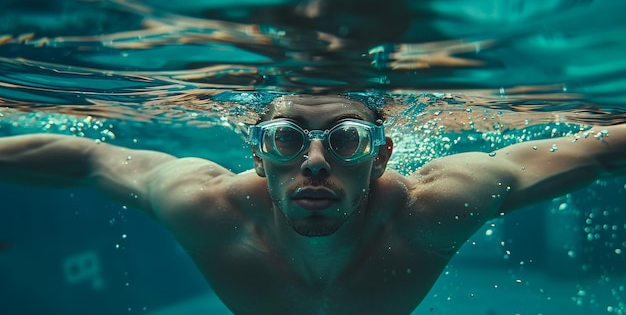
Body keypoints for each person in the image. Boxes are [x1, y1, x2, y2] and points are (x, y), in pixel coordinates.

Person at [0, 94, 625, 315]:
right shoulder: (205, 207)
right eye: (287, 138)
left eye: (348, 139)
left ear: (380, 156)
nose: (316, 161)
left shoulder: (435, 206)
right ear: (257, 154)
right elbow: (86, 158)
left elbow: (589, 151)